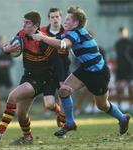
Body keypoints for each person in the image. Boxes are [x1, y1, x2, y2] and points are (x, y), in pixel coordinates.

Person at [33, 5, 130, 138]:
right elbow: (57, 39)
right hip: (85, 70)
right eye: (65, 19)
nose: (65, 21)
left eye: (68, 19)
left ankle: (123, 119)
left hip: (99, 74)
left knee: (102, 105)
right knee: (64, 90)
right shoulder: (72, 32)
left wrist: (42, 38)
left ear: (76, 23)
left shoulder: (76, 33)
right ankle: (70, 122)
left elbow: (62, 44)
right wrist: (37, 34)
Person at [0, 11, 66, 145]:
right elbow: (7, 47)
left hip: (43, 78)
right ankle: (28, 137)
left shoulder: (43, 41)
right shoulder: (21, 34)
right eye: (23, 21)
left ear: (35, 25)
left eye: (27, 22)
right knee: (21, 114)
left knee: (12, 97)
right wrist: (8, 49)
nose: (23, 24)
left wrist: (61, 82)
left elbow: (57, 61)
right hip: (29, 77)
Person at [40, 7, 72, 127]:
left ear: (61, 18)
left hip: (64, 70)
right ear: (49, 19)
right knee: (49, 104)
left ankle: (62, 127)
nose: (55, 19)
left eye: (57, 16)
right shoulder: (42, 32)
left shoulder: (67, 33)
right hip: (48, 72)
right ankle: (58, 111)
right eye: (52, 17)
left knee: (64, 98)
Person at [114, 26, 133, 111]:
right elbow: (117, 57)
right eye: (120, 33)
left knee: (130, 88)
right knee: (118, 88)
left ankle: (131, 106)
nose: (122, 34)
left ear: (127, 33)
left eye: (123, 32)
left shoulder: (130, 43)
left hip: (129, 69)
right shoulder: (117, 44)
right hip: (120, 69)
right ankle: (119, 106)